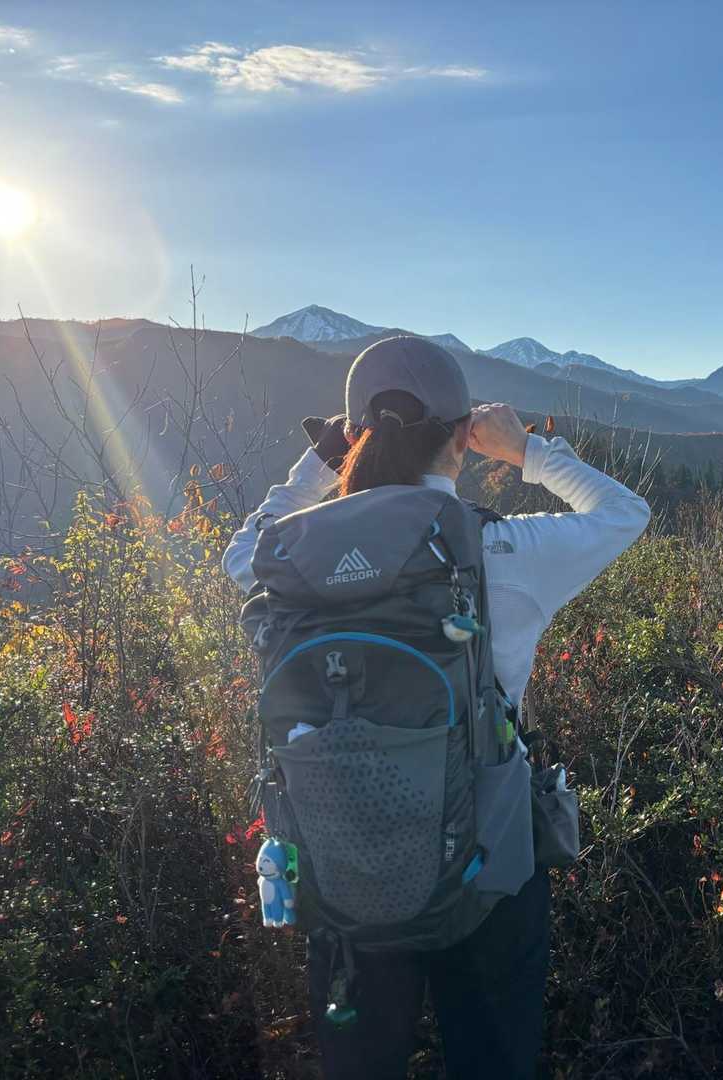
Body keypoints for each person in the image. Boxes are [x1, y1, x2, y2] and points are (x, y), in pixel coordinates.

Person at [222, 335, 650, 1079]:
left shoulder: (286, 559)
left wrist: (318, 466)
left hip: (341, 860)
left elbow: (239, 553)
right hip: (486, 864)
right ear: (461, 438)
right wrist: (526, 450)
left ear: (354, 436)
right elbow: (624, 513)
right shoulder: (500, 550)